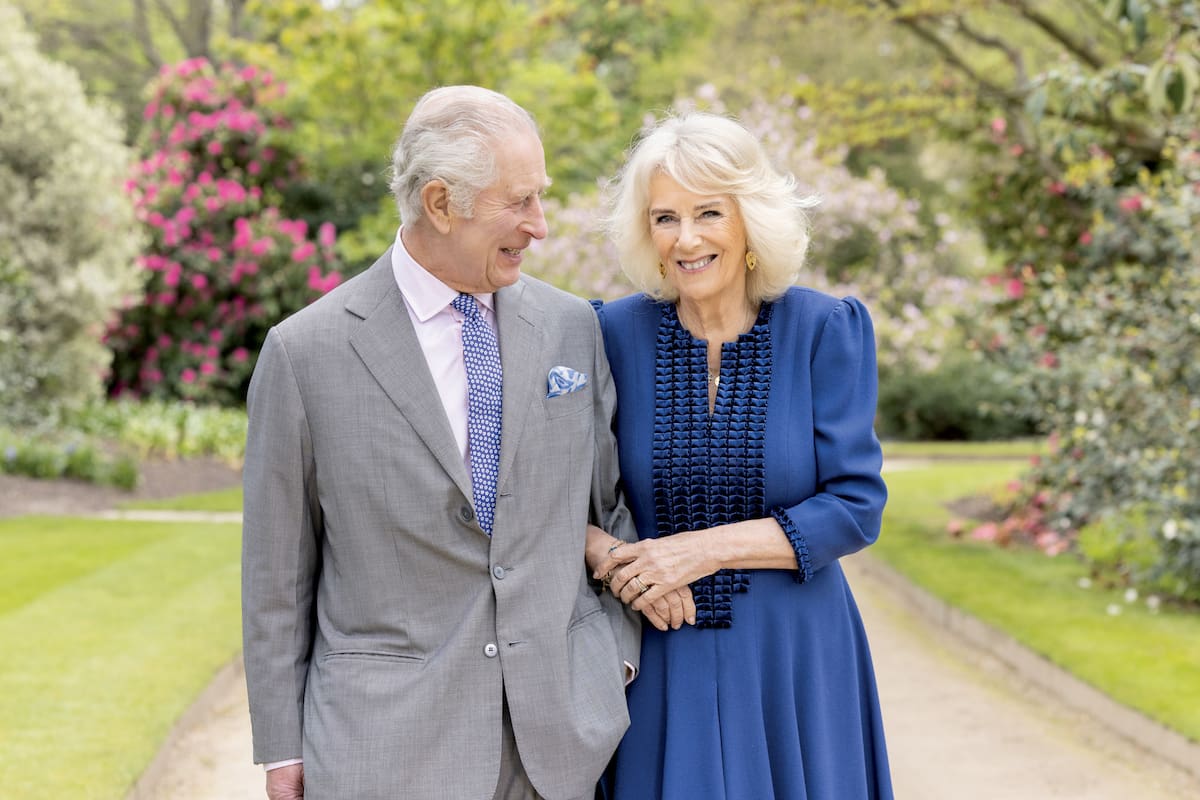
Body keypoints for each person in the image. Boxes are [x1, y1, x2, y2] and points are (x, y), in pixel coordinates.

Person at [241, 85, 643, 800]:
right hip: (383, 750)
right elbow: (277, 575)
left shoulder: (571, 327)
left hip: (555, 743)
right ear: (439, 202)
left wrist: (610, 661)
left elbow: (609, 505)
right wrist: (280, 750)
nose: (541, 225)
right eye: (519, 202)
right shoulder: (306, 352)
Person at [588, 111, 894, 799]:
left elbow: (854, 508)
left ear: (749, 219)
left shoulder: (825, 329)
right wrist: (612, 560)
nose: (687, 238)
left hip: (797, 661)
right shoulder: (607, 334)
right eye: (665, 218)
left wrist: (702, 550)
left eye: (708, 213)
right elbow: (551, 495)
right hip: (660, 651)